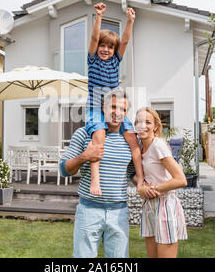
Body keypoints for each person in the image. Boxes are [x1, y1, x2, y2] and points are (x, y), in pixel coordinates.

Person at [59, 89, 158, 258]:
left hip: (118, 212)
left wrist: (144, 185)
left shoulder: (129, 140)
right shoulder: (84, 134)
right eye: (113, 107)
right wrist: (85, 157)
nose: (117, 113)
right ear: (103, 107)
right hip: (89, 211)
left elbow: (132, 174)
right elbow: (63, 170)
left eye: (123, 109)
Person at [86, 2, 144, 196]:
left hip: (115, 105)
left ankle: (139, 177)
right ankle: (96, 180)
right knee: (99, 136)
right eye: (102, 46)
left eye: (110, 47)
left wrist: (130, 20)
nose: (105, 49)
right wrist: (99, 17)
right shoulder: (93, 58)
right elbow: (94, 36)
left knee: (132, 138)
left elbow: (125, 41)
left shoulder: (115, 60)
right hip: (96, 106)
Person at [134, 107, 188, 258]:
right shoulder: (139, 147)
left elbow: (181, 179)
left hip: (165, 205)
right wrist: (142, 188)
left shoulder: (158, 145)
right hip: (149, 206)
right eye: (138, 122)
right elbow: (140, 176)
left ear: (156, 126)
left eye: (147, 122)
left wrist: (154, 188)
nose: (142, 125)